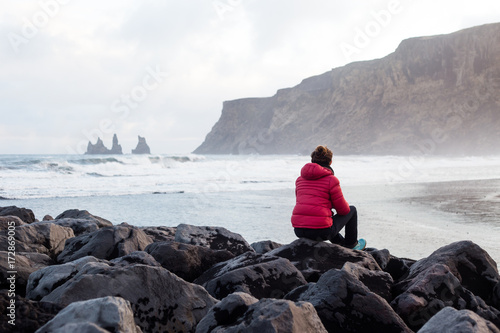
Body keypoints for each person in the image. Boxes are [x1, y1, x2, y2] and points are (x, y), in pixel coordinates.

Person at [291, 145, 366, 250]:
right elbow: (344, 211)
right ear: (330, 162)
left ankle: (340, 243)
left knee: (324, 218)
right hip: (321, 232)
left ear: (312, 161)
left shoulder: (299, 180)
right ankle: (351, 245)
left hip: (299, 230)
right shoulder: (331, 180)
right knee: (352, 210)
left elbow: (305, 203)